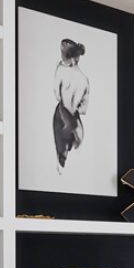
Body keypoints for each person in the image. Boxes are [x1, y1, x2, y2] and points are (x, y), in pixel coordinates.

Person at [52, 38, 89, 173]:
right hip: (75, 120)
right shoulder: (84, 79)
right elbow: (84, 109)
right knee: (73, 153)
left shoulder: (60, 69)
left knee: (61, 157)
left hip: (61, 114)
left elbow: (56, 94)